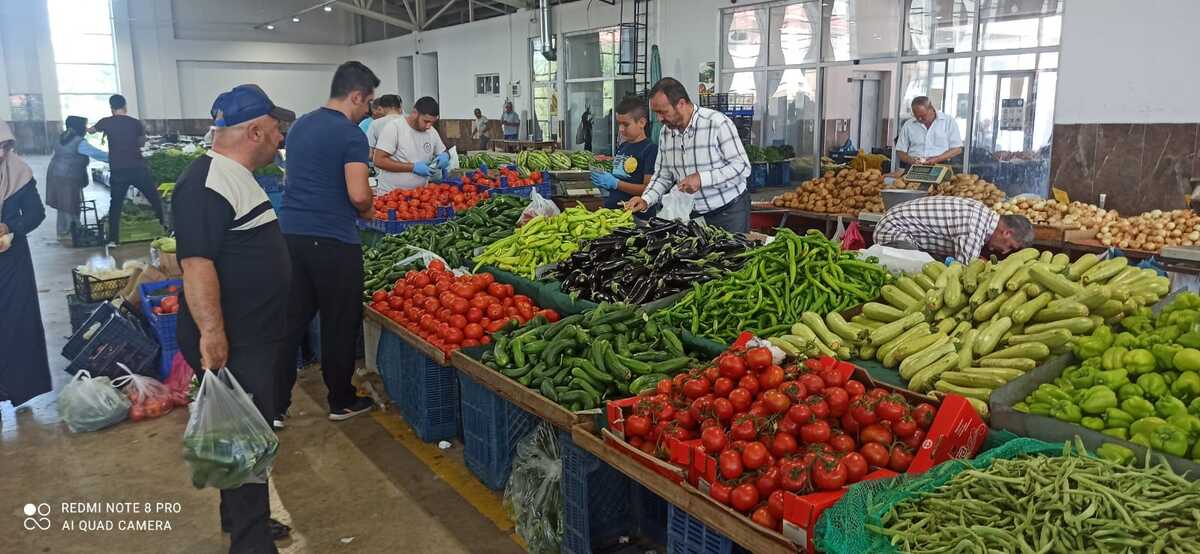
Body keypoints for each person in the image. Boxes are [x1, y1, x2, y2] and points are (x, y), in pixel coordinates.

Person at [174, 84, 296, 553]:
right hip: (235, 340)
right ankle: (249, 543)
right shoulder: (206, 181)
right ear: (255, 130)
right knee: (243, 441)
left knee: (242, 434)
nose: (279, 136)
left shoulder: (232, 174)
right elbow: (196, 264)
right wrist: (212, 333)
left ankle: (240, 519)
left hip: (252, 336)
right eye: (275, 128)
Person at [275, 61, 379, 423]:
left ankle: (274, 405)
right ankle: (341, 399)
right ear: (355, 96)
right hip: (333, 239)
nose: (368, 110)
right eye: (368, 103)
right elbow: (358, 194)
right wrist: (368, 209)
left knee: (291, 321)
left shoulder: (301, 124)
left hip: (290, 235)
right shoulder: (351, 134)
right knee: (339, 321)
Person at [626, 77, 751, 233]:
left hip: (728, 212)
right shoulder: (666, 133)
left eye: (663, 112)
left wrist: (702, 178)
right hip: (693, 216)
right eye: (656, 113)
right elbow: (662, 176)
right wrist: (645, 200)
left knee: (733, 256)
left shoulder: (717, 124)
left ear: (681, 104)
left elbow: (742, 167)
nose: (659, 119)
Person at [0, 120, 51, 412]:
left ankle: (19, 389)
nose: (1, 154)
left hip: (12, 261)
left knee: (16, 324)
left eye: (5, 147)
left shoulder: (18, 172)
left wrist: (10, 226)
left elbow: (36, 213)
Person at [91, 94, 164, 245]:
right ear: (125, 107)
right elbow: (142, 143)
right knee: (154, 198)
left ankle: (112, 240)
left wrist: (87, 128)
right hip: (137, 167)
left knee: (115, 204)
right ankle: (166, 228)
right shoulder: (135, 123)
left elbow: (91, 130)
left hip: (118, 170)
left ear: (111, 108)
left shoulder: (106, 122)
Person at [873, 195, 1033, 261]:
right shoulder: (974, 229)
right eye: (1010, 246)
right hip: (894, 231)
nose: (1004, 251)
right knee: (914, 276)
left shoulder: (983, 214)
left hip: (900, 227)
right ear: (1007, 232)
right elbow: (963, 271)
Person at [592, 96, 658, 219]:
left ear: (642, 123)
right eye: (619, 124)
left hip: (635, 217)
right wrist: (605, 171)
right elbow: (624, 174)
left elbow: (648, 190)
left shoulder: (650, 149)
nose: (621, 129)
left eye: (626, 124)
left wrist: (616, 184)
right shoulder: (623, 146)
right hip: (612, 212)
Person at [46, 116, 109, 240]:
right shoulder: (79, 141)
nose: (85, 129)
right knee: (69, 204)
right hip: (67, 175)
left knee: (64, 204)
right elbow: (97, 154)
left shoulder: (63, 137)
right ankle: (70, 231)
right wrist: (118, 157)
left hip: (56, 173)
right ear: (79, 127)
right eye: (84, 126)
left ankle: (67, 230)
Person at [372, 96, 449, 193]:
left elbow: (443, 150)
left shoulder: (431, 132)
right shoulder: (395, 128)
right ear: (415, 113)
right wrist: (412, 167)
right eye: (426, 121)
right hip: (392, 195)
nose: (428, 126)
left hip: (420, 197)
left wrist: (445, 155)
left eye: (432, 122)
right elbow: (379, 161)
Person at [896, 96, 963, 167]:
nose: (919, 119)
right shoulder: (909, 124)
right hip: (914, 166)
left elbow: (957, 149)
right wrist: (909, 159)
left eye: (923, 115)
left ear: (931, 109)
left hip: (941, 165)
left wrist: (936, 159)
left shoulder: (948, 121)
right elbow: (900, 150)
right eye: (916, 116)